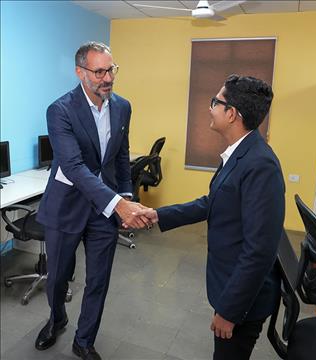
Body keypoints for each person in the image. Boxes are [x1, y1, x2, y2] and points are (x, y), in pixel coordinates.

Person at [134, 75, 285, 360]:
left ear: (232, 114)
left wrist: (229, 311)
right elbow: (211, 203)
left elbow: (259, 251)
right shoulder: (239, 154)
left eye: (216, 102)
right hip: (229, 283)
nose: (210, 107)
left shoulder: (260, 165)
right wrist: (156, 214)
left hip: (243, 301)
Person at [35, 42, 150, 360]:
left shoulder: (122, 107)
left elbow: (121, 156)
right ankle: (57, 320)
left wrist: (125, 195)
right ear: (80, 72)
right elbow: (73, 167)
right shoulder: (60, 110)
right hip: (66, 205)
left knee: (99, 280)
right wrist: (119, 204)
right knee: (57, 277)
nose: (107, 78)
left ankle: (83, 340)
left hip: (105, 211)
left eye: (111, 69)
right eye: (99, 71)